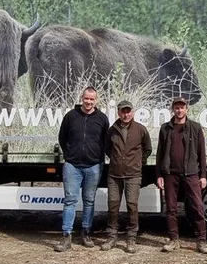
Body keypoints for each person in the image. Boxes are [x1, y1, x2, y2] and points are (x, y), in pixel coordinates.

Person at [54, 86, 110, 252]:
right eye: (86, 98)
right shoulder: (71, 116)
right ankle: (66, 236)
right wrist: (70, 154)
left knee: (89, 201)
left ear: (96, 101)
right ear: (82, 98)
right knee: (70, 201)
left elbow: (105, 141)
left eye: (92, 99)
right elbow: (62, 137)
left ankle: (86, 233)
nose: (88, 102)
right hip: (72, 166)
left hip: (93, 166)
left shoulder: (102, 118)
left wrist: (97, 157)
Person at [155, 95, 207, 254]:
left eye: (182, 107)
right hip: (170, 174)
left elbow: (202, 153)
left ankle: (201, 241)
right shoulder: (165, 128)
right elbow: (160, 153)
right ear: (173, 109)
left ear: (187, 109)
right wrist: (159, 174)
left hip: (191, 174)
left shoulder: (195, 127)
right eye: (177, 107)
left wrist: (203, 175)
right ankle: (173, 240)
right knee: (171, 208)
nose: (179, 110)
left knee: (198, 207)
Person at [102, 99, 152, 253]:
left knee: (132, 206)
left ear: (133, 112)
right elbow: (107, 148)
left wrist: (138, 163)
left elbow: (148, 149)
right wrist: (117, 160)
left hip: (133, 175)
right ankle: (112, 236)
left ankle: (131, 238)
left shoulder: (141, 130)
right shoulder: (112, 130)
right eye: (123, 111)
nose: (126, 114)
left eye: (128, 111)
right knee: (113, 205)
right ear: (118, 112)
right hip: (114, 175)